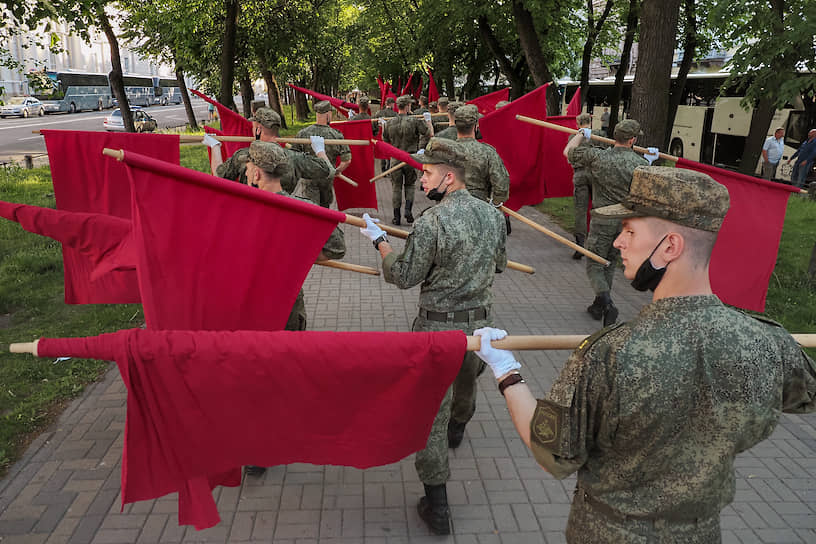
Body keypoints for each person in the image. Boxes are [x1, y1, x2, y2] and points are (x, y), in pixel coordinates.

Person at [471, 166, 816, 543]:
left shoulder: (611, 354)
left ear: (670, 247)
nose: (619, 242)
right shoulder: (770, 343)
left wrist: (507, 373)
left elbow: (552, 453)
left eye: (630, 230)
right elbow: (805, 395)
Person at [358, 137, 507, 535]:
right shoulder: (493, 216)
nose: (421, 179)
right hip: (480, 326)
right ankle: (462, 424)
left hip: (437, 332)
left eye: (426, 173)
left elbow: (404, 276)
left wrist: (381, 243)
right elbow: (499, 265)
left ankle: (437, 502)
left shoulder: (433, 222)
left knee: (430, 415)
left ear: (449, 176)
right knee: (466, 383)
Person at [242, 140, 346, 475]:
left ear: (257, 173)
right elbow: (337, 246)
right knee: (282, 369)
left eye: (247, 168)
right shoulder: (298, 206)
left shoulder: (240, 205)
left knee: (256, 373)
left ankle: (260, 448)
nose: (245, 172)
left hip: (249, 306)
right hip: (287, 304)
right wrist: (300, 257)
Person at [563, 119, 652, 326]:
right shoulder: (639, 164)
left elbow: (568, 152)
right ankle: (598, 305)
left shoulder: (598, 156)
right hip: (624, 223)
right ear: (632, 140)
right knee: (610, 263)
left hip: (602, 219)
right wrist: (650, 162)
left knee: (595, 263)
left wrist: (580, 134)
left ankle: (607, 302)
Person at [205, 107, 333, 194]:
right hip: (281, 214)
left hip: (252, 216)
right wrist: (319, 149)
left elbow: (218, 177)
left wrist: (215, 146)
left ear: (258, 130)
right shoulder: (295, 158)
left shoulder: (243, 156)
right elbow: (328, 170)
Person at [449, 104, 511, 237]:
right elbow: (501, 184)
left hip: (448, 210)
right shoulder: (487, 152)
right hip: (479, 210)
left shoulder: (445, 150)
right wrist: (494, 205)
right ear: (476, 126)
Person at [382, 95, 433, 225]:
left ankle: (396, 216)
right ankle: (408, 210)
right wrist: (428, 121)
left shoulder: (390, 122)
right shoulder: (414, 121)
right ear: (407, 106)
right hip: (410, 157)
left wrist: (384, 127)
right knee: (410, 185)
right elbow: (428, 133)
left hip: (396, 158)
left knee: (396, 187)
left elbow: (385, 141)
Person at [293, 100, 352, 207]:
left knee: (311, 210)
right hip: (327, 178)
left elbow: (293, 156)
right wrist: (336, 171)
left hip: (309, 179)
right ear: (328, 114)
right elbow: (347, 160)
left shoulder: (303, 133)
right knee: (325, 211)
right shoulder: (336, 135)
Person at [569, 113, 599, 259]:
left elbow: (569, 154)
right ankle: (595, 244)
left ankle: (580, 245)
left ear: (577, 123)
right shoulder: (599, 135)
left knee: (581, 211)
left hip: (580, 174)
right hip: (596, 175)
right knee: (597, 209)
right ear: (590, 122)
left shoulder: (574, 138)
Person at [373, 96, 398, 171]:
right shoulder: (395, 114)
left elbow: (374, 123)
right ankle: (389, 166)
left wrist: (375, 131)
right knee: (390, 150)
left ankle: (383, 167)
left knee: (382, 150)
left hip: (381, 133)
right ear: (391, 104)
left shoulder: (379, 113)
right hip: (392, 134)